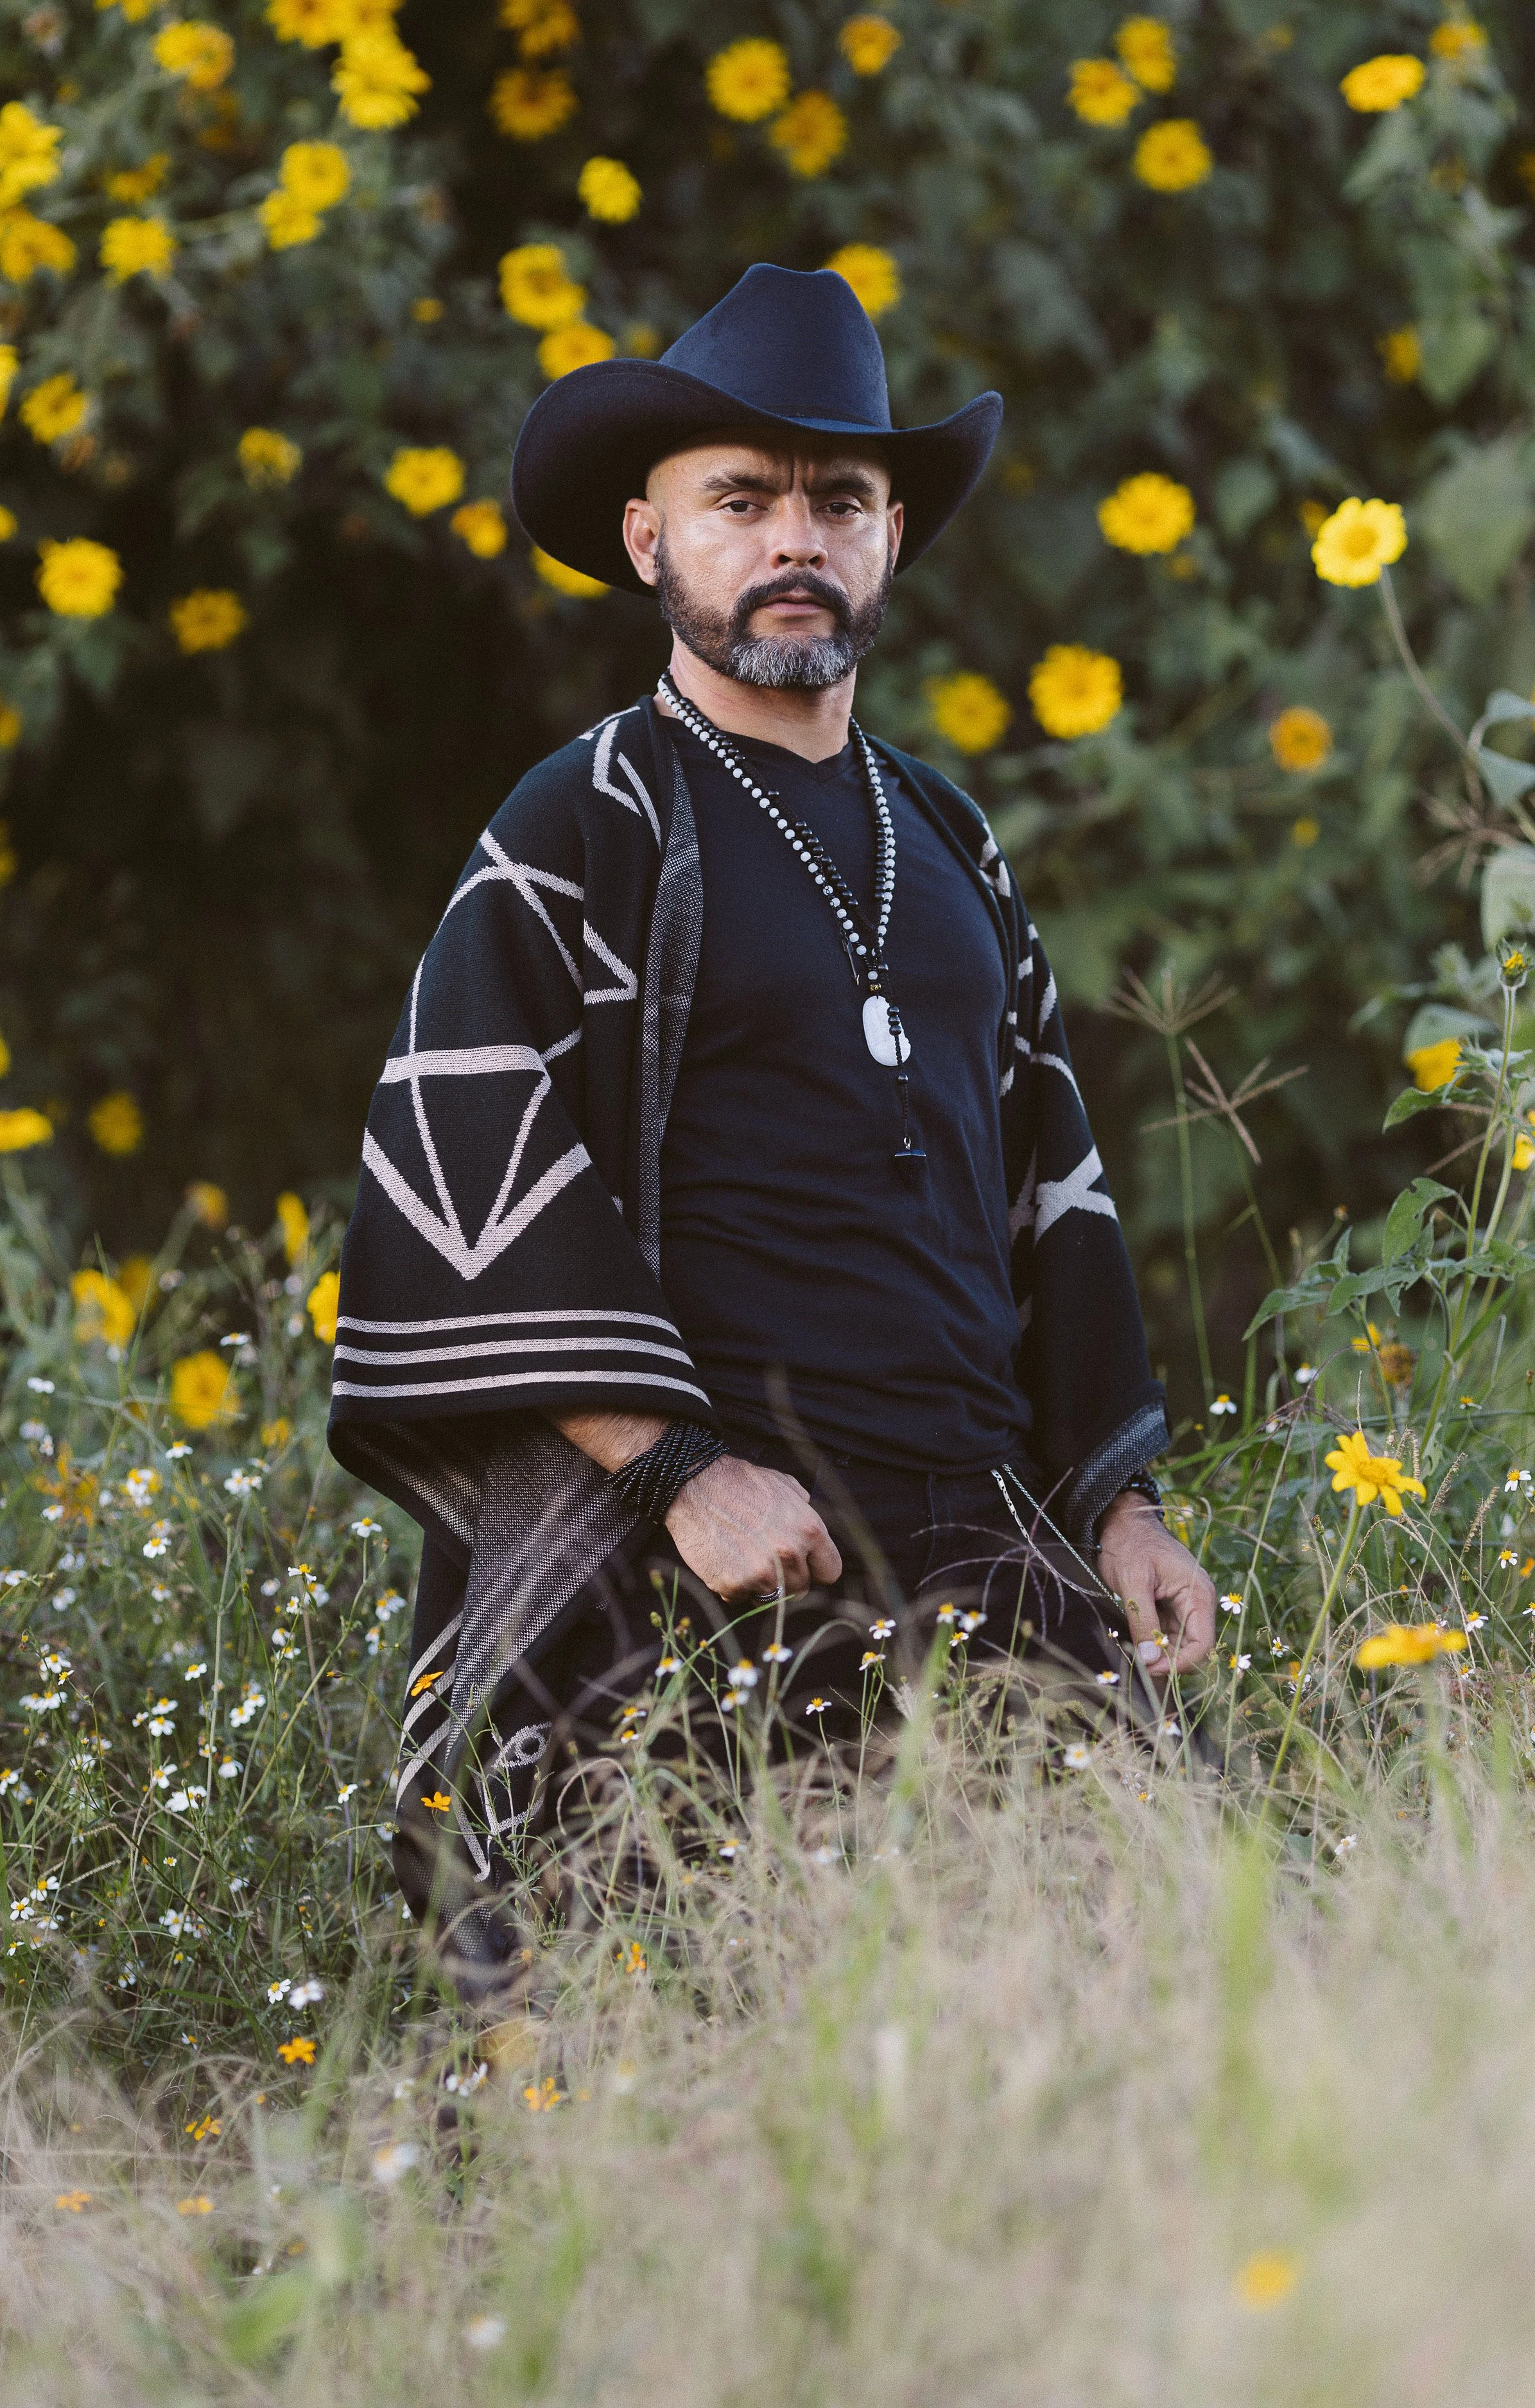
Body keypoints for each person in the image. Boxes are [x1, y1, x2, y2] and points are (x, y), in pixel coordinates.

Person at [327, 264, 1215, 1993]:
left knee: (1143, 2014)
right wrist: (675, 1467)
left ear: (890, 540)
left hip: (984, 1548)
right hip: (720, 1573)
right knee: (674, 2059)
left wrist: (1117, 1503)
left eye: (838, 500)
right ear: (650, 539)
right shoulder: (580, 823)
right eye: (740, 498)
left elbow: (1053, 1189)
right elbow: (460, 1162)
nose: (792, 536)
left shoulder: (947, 839)